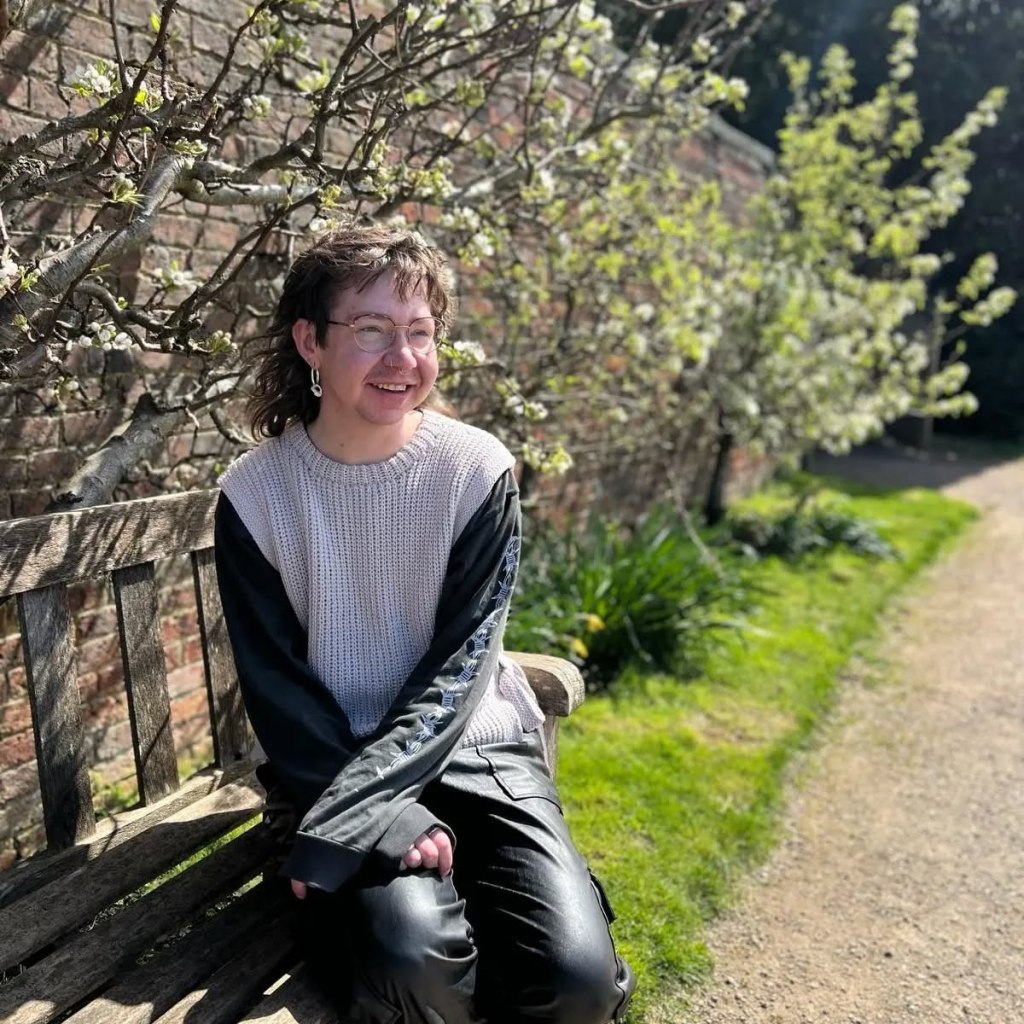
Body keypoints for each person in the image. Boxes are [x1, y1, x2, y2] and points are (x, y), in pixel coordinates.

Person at [213, 223, 635, 1024]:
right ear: (309, 340)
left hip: (480, 752)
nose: (402, 358)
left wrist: (378, 805)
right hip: (334, 760)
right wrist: (376, 810)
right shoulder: (256, 495)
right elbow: (277, 685)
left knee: (577, 983)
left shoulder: (475, 471)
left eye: (420, 332)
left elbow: (460, 668)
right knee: (415, 967)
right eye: (372, 330)